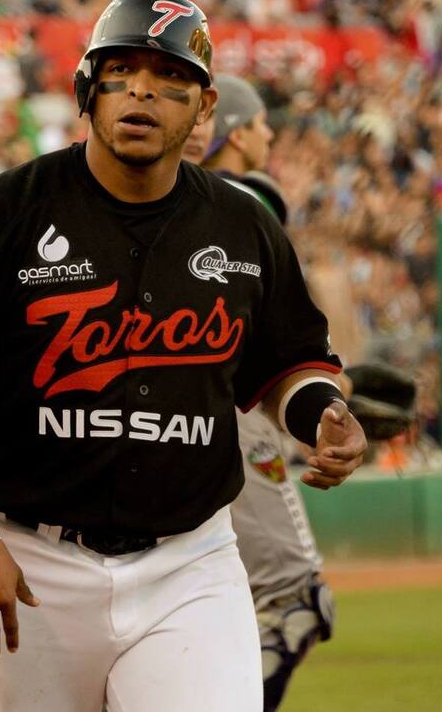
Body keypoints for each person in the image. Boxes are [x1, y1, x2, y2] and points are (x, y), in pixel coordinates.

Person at [0, 0, 366, 712]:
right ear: (86, 90)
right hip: (28, 556)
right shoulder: (6, 210)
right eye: (121, 72)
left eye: (171, 77)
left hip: (190, 560)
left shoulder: (243, 226)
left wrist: (323, 415)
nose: (142, 92)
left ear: (205, 108)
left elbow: (290, 364)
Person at [192, 74, 336, 712]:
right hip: (234, 414)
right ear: (232, 129)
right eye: (258, 123)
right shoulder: (246, 199)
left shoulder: (155, 202)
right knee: (296, 600)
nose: (269, 134)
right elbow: (260, 340)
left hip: (171, 423)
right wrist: (335, 394)